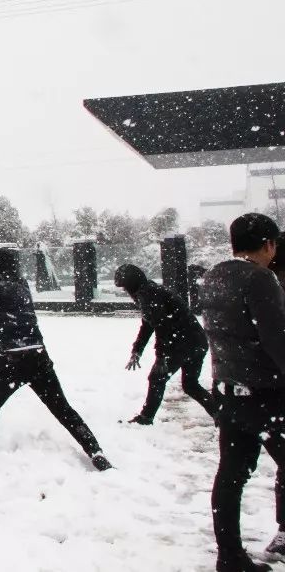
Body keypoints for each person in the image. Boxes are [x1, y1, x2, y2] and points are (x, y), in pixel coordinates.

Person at [0, 238, 111, 471]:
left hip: (10, 360)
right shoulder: (21, 284)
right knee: (63, 409)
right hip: (38, 356)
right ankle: (95, 451)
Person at [200, 213, 285, 572]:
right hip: (267, 395)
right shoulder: (260, 279)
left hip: (230, 391)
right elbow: (277, 339)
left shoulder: (214, 276)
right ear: (268, 244)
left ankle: (230, 556)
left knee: (231, 475)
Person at [115, 263, 216, 425]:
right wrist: (137, 350)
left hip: (182, 343)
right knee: (190, 384)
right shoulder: (150, 292)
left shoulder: (148, 296)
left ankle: (146, 418)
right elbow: (148, 325)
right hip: (197, 341)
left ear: (131, 285)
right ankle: (221, 414)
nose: (126, 292)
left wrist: (161, 357)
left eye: (125, 288)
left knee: (157, 379)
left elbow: (162, 326)